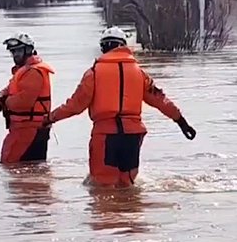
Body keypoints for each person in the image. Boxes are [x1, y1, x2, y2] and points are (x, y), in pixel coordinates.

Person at [43, 26, 197, 188]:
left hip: (105, 135)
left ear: (103, 48)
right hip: (133, 136)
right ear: (124, 46)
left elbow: (74, 106)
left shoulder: (94, 73)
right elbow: (161, 100)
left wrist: (50, 118)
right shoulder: (140, 73)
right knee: (127, 186)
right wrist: (181, 122)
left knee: (102, 188)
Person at [0, 32, 55, 164]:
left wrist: (5, 101)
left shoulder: (34, 72)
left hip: (30, 129)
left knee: (15, 166)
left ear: (28, 50)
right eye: (13, 52)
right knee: (20, 169)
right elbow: (10, 89)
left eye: (18, 51)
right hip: (24, 128)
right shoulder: (24, 71)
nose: (14, 55)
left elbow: (24, 102)